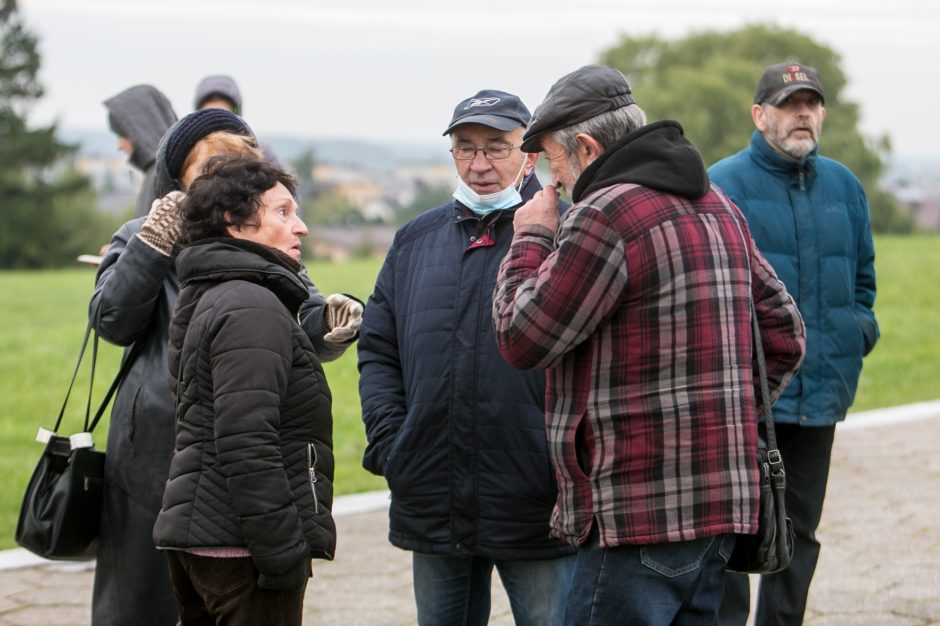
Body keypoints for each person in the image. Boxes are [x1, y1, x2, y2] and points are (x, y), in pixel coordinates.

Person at [490, 65, 807, 625]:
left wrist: (532, 236)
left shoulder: (606, 213)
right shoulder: (719, 206)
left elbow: (522, 338)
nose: (553, 182)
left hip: (634, 518)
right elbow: (784, 334)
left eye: (554, 162)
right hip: (721, 514)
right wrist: (723, 421)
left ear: (587, 147)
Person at [88, 108, 361, 626]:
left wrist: (328, 322)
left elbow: (290, 330)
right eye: (210, 168)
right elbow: (111, 321)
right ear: (179, 180)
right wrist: (152, 244)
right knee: (137, 601)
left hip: (235, 446)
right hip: (152, 440)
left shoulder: (266, 241)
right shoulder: (141, 232)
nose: (226, 179)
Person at [357, 89, 576, 625]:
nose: (480, 164)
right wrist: (393, 444)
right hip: (433, 491)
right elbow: (378, 348)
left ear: (529, 156)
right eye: (465, 148)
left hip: (536, 496)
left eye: (497, 148)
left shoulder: (570, 232)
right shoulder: (414, 242)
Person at [708, 61, 880, 626]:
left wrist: (858, 333)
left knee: (799, 532)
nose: (802, 113)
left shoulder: (845, 186)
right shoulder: (721, 184)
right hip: (744, 399)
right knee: (731, 531)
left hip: (820, 395)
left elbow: (862, 283)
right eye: (788, 103)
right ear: (760, 115)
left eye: (811, 103)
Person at [152, 156, 334, 625]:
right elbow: (246, 439)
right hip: (240, 550)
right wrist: (282, 552)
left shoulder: (212, 293)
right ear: (235, 224)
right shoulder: (251, 306)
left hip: (204, 539)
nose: (302, 227)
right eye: (283, 212)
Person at [104, 84, 178, 218]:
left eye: (121, 134)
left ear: (137, 131)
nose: (119, 145)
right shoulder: (161, 172)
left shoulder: (161, 176)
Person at [193, 74, 279, 164]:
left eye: (223, 117)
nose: (216, 126)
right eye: (209, 117)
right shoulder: (190, 153)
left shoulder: (260, 152)